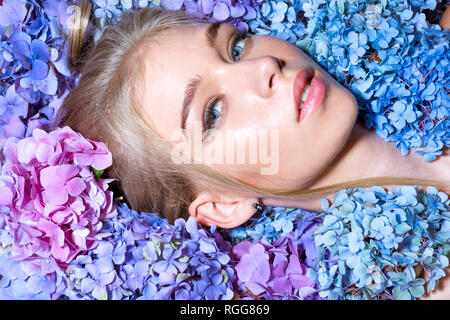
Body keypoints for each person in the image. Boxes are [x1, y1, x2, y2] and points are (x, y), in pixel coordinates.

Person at [53, 0, 450, 298]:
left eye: (236, 47)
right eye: (213, 113)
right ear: (223, 204)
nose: (264, 67)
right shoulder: (410, 281)